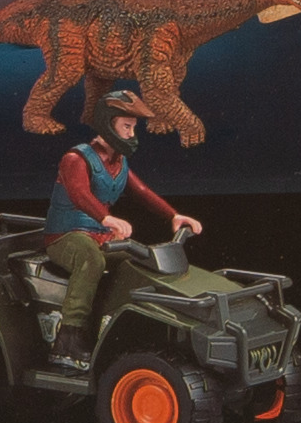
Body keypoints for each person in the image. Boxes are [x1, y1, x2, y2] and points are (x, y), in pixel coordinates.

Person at [43, 98, 198, 358]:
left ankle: (115, 324)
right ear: (108, 124)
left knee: (138, 259)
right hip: (65, 236)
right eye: (127, 126)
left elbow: (141, 191)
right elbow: (80, 195)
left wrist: (173, 214)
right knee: (90, 259)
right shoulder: (76, 159)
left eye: (133, 127)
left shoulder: (118, 162)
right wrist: (107, 219)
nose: (131, 134)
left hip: (100, 237)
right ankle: (69, 335)